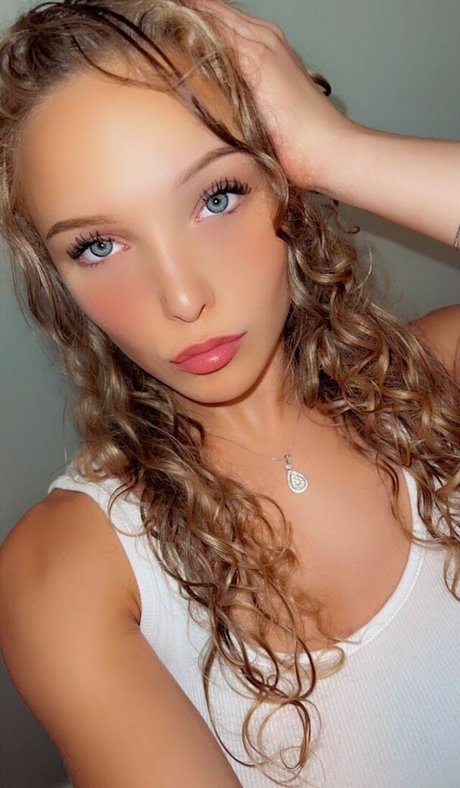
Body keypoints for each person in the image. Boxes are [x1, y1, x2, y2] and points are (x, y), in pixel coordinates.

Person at [0, 0, 459, 785]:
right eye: (99, 245)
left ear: (286, 184)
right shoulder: (72, 574)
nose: (182, 298)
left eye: (218, 196)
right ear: (56, 281)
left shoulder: (443, 377)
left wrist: (341, 151)